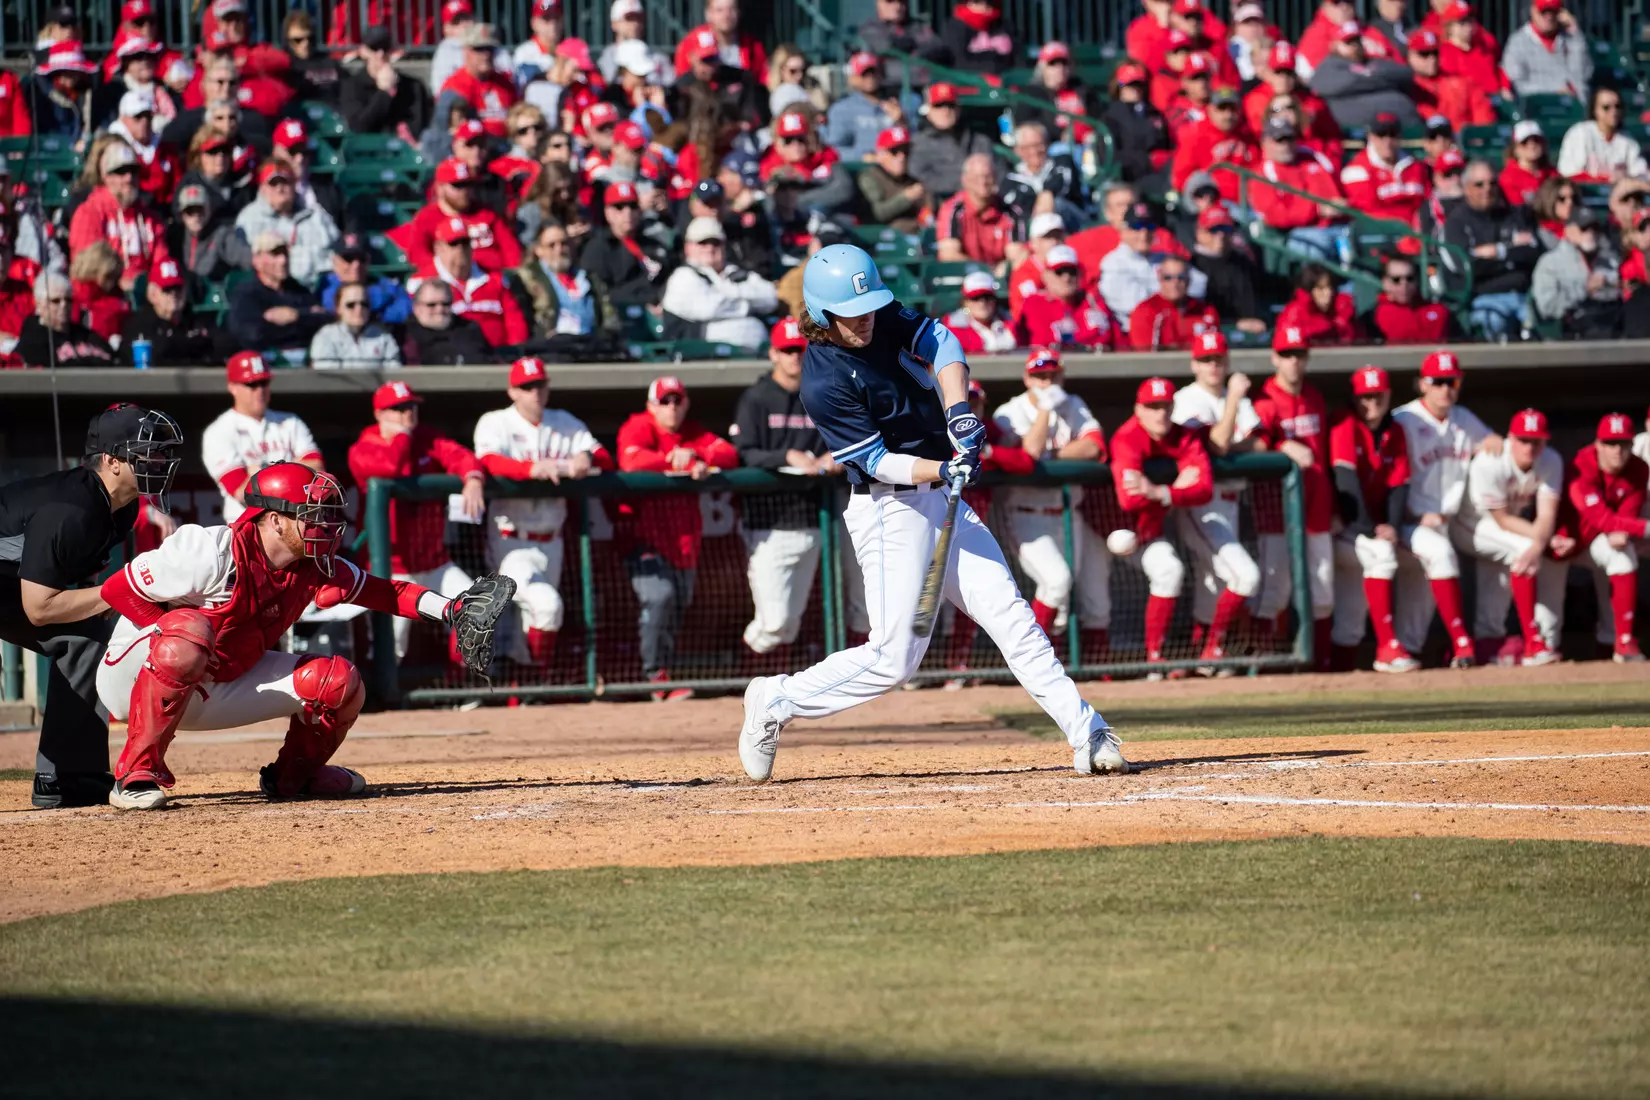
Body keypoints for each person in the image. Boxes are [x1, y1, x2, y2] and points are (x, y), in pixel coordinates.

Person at [737, 244, 1128, 781]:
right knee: (894, 659)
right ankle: (776, 699)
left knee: (1011, 616)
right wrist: (941, 467)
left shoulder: (881, 316)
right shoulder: (822, 382)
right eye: (853, 313)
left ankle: (1088, 732)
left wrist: (959, 413)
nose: (867, 319)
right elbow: (877, 461)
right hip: (888, 507)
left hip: (942, 496)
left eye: (870, 306)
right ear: (823, 314)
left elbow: (942, 340)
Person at [95, 462, 495, 810]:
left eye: (326, 515)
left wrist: (451, 609)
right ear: (275, 520)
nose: (326, 525)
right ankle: (135, 774)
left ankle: (294, 777)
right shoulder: (211, 550)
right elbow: (116, 590)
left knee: (339, 681)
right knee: (191, 631)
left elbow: (387, 592)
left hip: (216, 683)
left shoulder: (314, 564)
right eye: (313, 515)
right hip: (134, 677)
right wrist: (177, 637)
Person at [0, 405, 181, 808]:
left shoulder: (122, 508)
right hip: (14, 588)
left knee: (94, 638)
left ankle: (69, 775)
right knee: (90, 634)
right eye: (147, 454)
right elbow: (39, 608)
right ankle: (64, 775)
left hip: (9, 584)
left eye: (163, 453)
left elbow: (80, 584)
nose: (160, 462)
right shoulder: (71, 510)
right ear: (112, 461)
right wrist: (117, 593)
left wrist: (109, 600)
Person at [470, 357, 612, 670]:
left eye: (539, 385)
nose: (535, 392)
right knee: (547, 606)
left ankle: (523, 686)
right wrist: (531, 469)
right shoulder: (496, 422)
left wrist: (587, 458)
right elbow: (489, 461)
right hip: (511, 539)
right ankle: (536, 677)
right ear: (512, 391)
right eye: (526, 386)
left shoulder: (564, 422)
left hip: (553, 540)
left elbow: (604, 456)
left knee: (530, 621)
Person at [615, 376, 739, 698]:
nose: (671, 407)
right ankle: (653, 675)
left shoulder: (692, 433)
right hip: (643, 537)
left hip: (683, 540)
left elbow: (728, 453)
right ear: (651, 406)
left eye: (677, 400)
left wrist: (696, 456)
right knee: (659, 597)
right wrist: (673, 459)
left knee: (676, 606)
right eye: (664, 401)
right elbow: (631, 460)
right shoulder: (638, 426)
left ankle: (663, 677)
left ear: (685, 404)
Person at [347, 380, 485, 664]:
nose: (407, 413)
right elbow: (389, 467)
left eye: (411, 406)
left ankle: (459, 682)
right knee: (392, 644)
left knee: (477, 609)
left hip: (434, 562)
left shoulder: (426, 437)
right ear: (379, 414)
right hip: (391, 569)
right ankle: (379, 690)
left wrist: (472, 477)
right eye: (398, 409)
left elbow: (460, 456)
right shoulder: (363, 447)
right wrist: (401, 437)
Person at [989, 347, 1113, 658]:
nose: (1046, 382)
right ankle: (1029, 655)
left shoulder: (1074, 404)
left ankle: (1053, 661)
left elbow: (1094, 448)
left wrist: (1052, 455)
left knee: (1063, 596)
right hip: (1026, 513)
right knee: (1057, 581)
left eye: (1052, 375)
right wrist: (1045, 409)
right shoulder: (1009, 412)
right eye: (1039, 375)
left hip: (1067, 514)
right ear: (1026, 379)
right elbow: (1030, 452)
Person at [730, 318, 842, 659]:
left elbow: (845, 439)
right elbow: (743, 453)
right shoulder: (756, 398)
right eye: (788, 350)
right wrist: (786, 455)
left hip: (813, 518)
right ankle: (737, 663)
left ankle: (755, 675)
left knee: (790, 624)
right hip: (769, 523)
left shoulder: (820, 394)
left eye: (800, 350)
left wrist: (836, 456)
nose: (795, 357)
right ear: (773, 354)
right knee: (775, 621)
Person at [1391, 350, 1500, 667]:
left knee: (1422, 595)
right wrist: (1406, 514)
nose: (1445, 389)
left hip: (1444, 522)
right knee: (1440, 555)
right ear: (1422, 384)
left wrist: (1493, 441)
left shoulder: (1462, 419)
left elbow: (1493, 441)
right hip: (1408, 522)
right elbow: (1390, 476)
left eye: (1451, 382)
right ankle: (1462, 642)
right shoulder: (1404, 419)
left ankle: (1408, 652)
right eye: (1437, 382)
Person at [1109, 376, 1216, 677]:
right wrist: (1176, 490)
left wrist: (1161, 493)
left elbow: (1204, 488)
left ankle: (1154, 660)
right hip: (1105, 527)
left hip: (1145, 531)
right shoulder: (1127, 437)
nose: (1160, 414)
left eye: (1165, 406)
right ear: (1138, 409)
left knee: (1169, 570)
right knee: (1088, 600)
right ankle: (1082, 670)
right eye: (1152, 406)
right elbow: (1130, 500)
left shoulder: (1182, 436)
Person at [1170, 331, 1264, 668]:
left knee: (1212, 584)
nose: (1213, 365)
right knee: (1245, 575)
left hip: (1232, 501)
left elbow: (1260, 444)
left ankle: (1199, 660)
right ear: (1194, 364)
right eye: (1206, 359)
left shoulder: (1234, 398)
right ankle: (1214, 649)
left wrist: (1229, 440)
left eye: (1218, 359)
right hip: (1202, 504)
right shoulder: (1186, 400)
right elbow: (1219, 444)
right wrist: (1235, 399)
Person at [1452, 408, 1565, 666]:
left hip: (1509, 528)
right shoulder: (1490, 460)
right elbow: (1501, 518)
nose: (1530, 447)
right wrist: (1539, 542)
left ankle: (1489, 648)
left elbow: (1547, 514)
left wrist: (1540, 541)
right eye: (1524, 440)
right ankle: (1533, 641)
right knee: (1522, 549)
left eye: (1536, 441)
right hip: (1472, 524)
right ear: (1511, 438)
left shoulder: (1551, 460)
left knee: (1500, 580)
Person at [1327, 365, 1416, 671]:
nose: (1372, 403)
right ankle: (1387, 646)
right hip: (1341, 523)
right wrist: (1370, 528)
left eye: (1378, 396)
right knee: (1381, 555)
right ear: (1355, 398)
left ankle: (1341, 670)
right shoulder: (1345, 423)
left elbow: (1399, 484)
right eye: (1366, 397)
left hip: (1367, 527)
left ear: (1388, 395)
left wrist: (1392, 525)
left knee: (1352, 612)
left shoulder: (1395, 430)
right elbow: (1345, 483)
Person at [1552, 413, 1647, 663]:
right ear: (1598, 444)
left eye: (1623, 443)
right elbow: (1602, 518)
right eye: (1610, 443)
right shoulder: (1581, 464)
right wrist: (1645, 528)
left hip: (1594, 540)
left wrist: (1626, 528)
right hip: (1559, 543)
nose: (1617, 450)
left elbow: (1625, 518)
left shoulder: (1638, 469)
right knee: (1548, 630)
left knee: (1622, 555)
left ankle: (1622, 641)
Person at [200, 351, 323, 525]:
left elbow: (318, 469)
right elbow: (242, 492)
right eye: (252, 384)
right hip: (247, 525)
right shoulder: (219, 431)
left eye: (264, 383)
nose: (260, 390)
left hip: (295, 523)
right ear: (233, 387)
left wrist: (260, 469)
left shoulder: (290, 422)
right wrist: (294, 468)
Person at [1443, 160, 1544, 340]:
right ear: (1466, 188)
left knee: (1545, 329)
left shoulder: (1513, 215)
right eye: (1479, 184)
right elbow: (1467, 266)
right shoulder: (1456, 221)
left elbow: (1532, 252)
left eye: (1492, 183)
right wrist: (1510, 249)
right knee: (1492, 323)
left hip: (1524, 295)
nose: (1487, 189)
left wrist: (1496, 251)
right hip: (1483, 298)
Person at [407, 216, 528, 349]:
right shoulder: (422, 284)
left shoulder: (494, 280)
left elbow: (515, 324)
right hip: (448, 352)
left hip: (499, 355)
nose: (461, 249)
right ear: (438, 247)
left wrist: (514, 351)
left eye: (465, 242)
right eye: (453, 243)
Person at [660, 216, 778, 347]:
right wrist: (749, 305)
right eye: (702, 243)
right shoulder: (682, 276)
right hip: (698, 354)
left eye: (715, 243)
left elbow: (770, 297)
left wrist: (725, 291)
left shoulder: (738, 272)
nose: (710, 248)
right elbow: (709, 308)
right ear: (688, 247)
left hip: (753, 352)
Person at [1250, 117, 1350, 265]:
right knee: (1316, 244)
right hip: (1298, 232)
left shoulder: (1313, 158)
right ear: (1265, 143)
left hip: (1338, 225)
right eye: (1279, 140)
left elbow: (1339, 191)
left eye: (1290, 139)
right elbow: (1274, 216)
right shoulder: (1263, 173)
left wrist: (1343, 204)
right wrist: (1317, 209)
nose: (1286, 145)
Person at [396, 159, 522, 276]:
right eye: (458, 185)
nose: (464, 191)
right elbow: (418, 257)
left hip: (492, 280)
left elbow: (512, 253)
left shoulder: (486, 213)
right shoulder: (426, 217)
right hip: (448, 282)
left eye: (468, 184)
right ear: (440, 188)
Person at [68, 143, 168, 288]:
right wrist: (120, 284)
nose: (129, 178)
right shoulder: (89, 213)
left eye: (133, 171)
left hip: (147, 292)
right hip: (106, 293)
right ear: (105, 176)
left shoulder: (149, 217)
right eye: (120, 171)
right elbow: (85, 268)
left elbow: (161, 260)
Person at [233, 161, 338, 288]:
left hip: (321, 286)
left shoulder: (316, 216)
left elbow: (337, 252)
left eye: (285, 182)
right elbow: (247, 261)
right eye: (273, 183)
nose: (280, 188)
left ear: (294, 185)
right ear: (262, 188)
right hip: (272, 288)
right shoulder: (249, 218)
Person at [226, 232, 332, 355]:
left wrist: (295, 315)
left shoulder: (298, 290)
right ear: (257, 260)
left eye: (285, 253)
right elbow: (251, 334)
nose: (283, 260)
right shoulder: (246, 294)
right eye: (275, 254)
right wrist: (302, 321)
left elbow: (324, 322)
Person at [1308, 19, 1420, 132]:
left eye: (1357, 41)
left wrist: (1368, 76)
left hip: (1400, 125)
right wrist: (1373, 77)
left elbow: (1405, 74)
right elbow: (1328, 84)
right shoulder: (1329, 65)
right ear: (1334, 45)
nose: (1355, 46)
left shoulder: (1371, 61)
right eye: (1348, 42)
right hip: (1354, 132)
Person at [1531, 206, 1622, 338]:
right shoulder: (1551, 262)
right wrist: (1585, 289)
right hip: (1572, 330)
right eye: (1584, 228)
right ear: (1568, 231)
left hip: (1612, 321)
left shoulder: (1610, 259)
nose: (1590, 233)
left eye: (1595, 228)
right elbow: (1548, 306)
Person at [512, 220, 611, 339]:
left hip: (590, 344)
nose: (559, 250)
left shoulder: (589, 279)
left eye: (563, 243)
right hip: (551, 345)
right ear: (539, 250)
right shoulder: (527, 279)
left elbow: (608, 316)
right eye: (551, 245)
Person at [581, 180, 672, 306]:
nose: (627, 212)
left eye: (633, 206)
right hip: (624, 312)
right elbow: (600, 294)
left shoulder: (652, 244)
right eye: (619, 207)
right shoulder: (597, 249)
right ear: (608, 213)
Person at [935, 154, 1028, 272]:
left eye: (987, 176)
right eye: (976, 177)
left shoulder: (1011, 212)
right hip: (965, 275)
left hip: (1000, 277)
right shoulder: (952, 210)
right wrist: (985, 271)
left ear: (995, 178)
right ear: (965, 180)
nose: (983, 182)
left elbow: (1017, 254)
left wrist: (1004, 268)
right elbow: (949, 255)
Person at [1019, 244, 1118, 350]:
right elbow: (1048, 342)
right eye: (1059, 272)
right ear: (1045, 275)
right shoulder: (1034, 304)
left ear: (1080, 274)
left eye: (1072, 271)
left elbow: (1115, 340)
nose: (1066, 278)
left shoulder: (1093, 302)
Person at [1170, 84, 1258, 203]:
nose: (1228, 115)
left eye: (1233, 109)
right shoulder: (1195, 137)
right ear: (1210, 109)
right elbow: (1181, 179)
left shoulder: (1248, 137)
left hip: (1250, 202)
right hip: (1216, 203)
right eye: (1222, 109)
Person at [342, 25, 434, 139]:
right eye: (374, 48)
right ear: (363, 52)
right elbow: (357, 128)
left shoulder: (413, 86)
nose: (380, 54)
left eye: (385, 48)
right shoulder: (352, 85)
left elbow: (419, 127)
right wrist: (384, 94)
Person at [1188, 204, 1267, 333]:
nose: (1220, 235)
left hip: (1254, 330)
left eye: (1225, 229)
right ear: (1199, 233)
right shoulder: (1192, 265)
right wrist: (1234, 324)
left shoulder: (1242, 261)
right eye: (1213, 229)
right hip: (1212, 332)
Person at [909, 82, 995, 200]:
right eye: (939, 105)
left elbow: (997, 171)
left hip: (983, 201)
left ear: (958, 109)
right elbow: (920, 178)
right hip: (941, 202)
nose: (945, 111)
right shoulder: (918, 144)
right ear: (929, 111)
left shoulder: (978, 140)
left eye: (950, 105)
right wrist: (967, 184)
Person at [1340, 112, 1427, 226]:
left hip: (1419, 229)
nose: (1387, 141)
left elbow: (1426, 201)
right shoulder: (1356, 170)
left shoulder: (1415, 166)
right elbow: (1369, 214)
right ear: (1371, 137)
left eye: (1392, 134)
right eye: (1381, 134)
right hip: (1380, 232)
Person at [16, 273, 117, 367]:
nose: (64, 305)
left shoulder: (86, 334)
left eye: (68, 300)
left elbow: (112, 359)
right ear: (38, 304)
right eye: (56, 301)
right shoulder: (32, 339)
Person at [1406, 30, 1495, 133]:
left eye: (1435, 53)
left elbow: (1484, 121)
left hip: (1461, 140)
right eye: (1424, 54)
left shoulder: (1463, 83)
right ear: (1410, 56)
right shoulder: (1407, 86)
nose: (1432, 59)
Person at [1501, 0, 1591, 100]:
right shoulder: (1518, 41)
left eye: (1553, 11)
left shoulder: (1570, 39)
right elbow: (1518, 85)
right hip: (1537, 106)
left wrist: (1574, 32)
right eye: (1544, 11)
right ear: (1533, 10)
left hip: (1570, 105)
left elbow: (1583, 75)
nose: (1549, 16)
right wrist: (1554, 94)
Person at [1360, 254, 1459, 343]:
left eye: (1409, 278)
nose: (1404, 284)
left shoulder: (1440, 312)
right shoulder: (1372, 318)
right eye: (1396, 279)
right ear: (1385, 283)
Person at [1102, 63, 1173, 187]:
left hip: (1161, 173)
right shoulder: (1110, 117)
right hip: (1129, 178)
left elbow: (1166, 144)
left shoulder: (1154, 114)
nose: (1136, 89)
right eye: (1131, 85)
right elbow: (1110, 156)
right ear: (1120, 86)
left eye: (1139, 84)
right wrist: (1147, 160)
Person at [1557, 87, 1648, 184]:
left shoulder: (1627, 139)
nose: (1614, 111)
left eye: (1618, 106)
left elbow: (1641, 174)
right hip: (1583, 191)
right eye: (1606, 107)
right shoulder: (1580, 133)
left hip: (1618, 191)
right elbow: (1570, 175)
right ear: (1595, 110)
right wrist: (1607, 179)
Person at [1129, 255, 1219, 350]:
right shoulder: (1145, 311)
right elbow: (1145, 355)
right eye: (1168, 277)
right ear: (1159, 278)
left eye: (1181, 277)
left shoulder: (1206, 312)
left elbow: (1215, 352)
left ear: (1189, 280)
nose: (1175, 283)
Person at [317, 234, 411, 325]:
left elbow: (405, 308)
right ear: (335, 262)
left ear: (368, 261)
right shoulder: (324, 285)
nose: (356, 265)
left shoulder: (385, 285)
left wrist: (375, 316)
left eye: (362, 259)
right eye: (349, 259)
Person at [825, 52, 900, 164]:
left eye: (873, 72)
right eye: (864, 74)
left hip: (893, 168)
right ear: (852, 78)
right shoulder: (842, 109)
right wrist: (862, 156)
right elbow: (833, 150)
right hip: (860, 170)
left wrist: (902, 122)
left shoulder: (894, 104)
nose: (870, 78)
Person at [400, 278, 495, 364]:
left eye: (445, 304)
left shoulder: (470, 330)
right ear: (416, 308)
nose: (440, 309)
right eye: (431, 305)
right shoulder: (403, 336)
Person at [309, 283, 403, 369]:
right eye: (351, 305)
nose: (359, 309)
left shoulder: (383, 336)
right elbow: (326, 375)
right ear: (338, 308)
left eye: (364, 304)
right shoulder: (326, 336)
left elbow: (394, 371)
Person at [855, 125, 929, 235]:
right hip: (883, 237)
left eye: (906, 151)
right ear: (880, 154)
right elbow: (876, 213)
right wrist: (906, 198)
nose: (901, 157)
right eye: (894, 151)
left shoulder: (912, 181)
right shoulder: (870, 178)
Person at [856, 0, 944, 91]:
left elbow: (937, 46)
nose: (897, 7)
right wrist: (913, 43)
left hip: (923, 85)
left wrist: (917, 52)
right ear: (878, 3)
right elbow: (886, 45)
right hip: (888, 88)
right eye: (890, 1)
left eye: (902, 2)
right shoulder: (870, 27)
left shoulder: (917, 26)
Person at [672, 0, 768, 79]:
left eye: (732, 9)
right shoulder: (691, 44)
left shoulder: (753, 47)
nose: (726, 15)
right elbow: (681, 83)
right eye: (719, 10)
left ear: (739, 12)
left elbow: (763, 81)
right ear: (708, 14)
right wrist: (695, 75)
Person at [26, 40, 96, 144]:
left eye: (75, 71)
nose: (71, 76)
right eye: (65, 72)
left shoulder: (85, 93)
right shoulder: (41, 95)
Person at [1277, 262, 1359, 346]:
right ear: (1308, 290)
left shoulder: (1345, 313)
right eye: (1321, 288)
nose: (1328, 293)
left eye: (1330, 287)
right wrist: (1309, 330)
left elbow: (1360, 345)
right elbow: (1286, 345)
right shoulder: (1294, 312)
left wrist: (1343, 327)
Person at [944, 270, 1017, 354]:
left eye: (987, 297)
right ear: (965, 302)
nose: (982, 303)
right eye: (975, 298)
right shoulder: (953, 331)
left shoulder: (1012, 323)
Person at [939, 0, 1018, 76]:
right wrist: (994, 62)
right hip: (970, 82)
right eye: (977, 1)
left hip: (1006, 81)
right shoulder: (954, 27)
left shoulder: (1004, 26)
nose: (984, 5)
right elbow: (958, 62)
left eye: (990, 1)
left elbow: (1017, 60)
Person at [283, 11, 343, 105]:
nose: (305, 44)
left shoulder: (330, 63)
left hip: (332, 110)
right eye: (298, 40)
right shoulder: (285, 68)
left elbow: (346, 94)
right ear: (288, 41)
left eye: (309, 38)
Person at [1500, 120, 1558, 207]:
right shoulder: (1508, 178)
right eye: (1525, 142)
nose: (1532, 145)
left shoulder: (1552, 173)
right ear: (1515, 148)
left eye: (1536, 140)